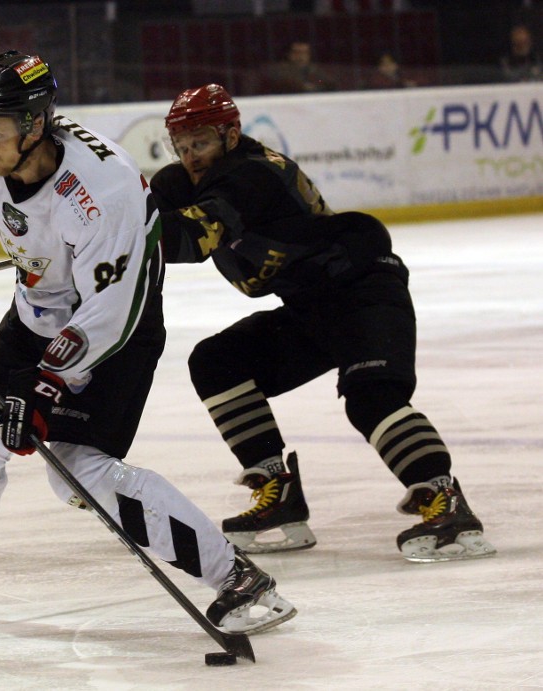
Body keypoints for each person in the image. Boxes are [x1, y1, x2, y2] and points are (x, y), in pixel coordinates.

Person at [0, 52, 296, 635]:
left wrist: (46, 387)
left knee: (78, 471)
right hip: (37, 308)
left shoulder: (104, 190)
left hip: (117, 328)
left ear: (37, 122)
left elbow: (111, 309)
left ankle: (238, 579)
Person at [149, 83, 497, 563]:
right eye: (182, 146)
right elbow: (138, 208)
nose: (191, 157)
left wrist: (115, 241)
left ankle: (444, 498)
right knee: (217, 360)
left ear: (231, 134)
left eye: (201, 142)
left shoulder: (249, 176)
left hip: (362, 289)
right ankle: (278, 494)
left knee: (372, 397)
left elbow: (191, 237)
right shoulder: (190, 181)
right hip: (311, 306)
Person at [266, 41, 336, 94]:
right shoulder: (280, 69)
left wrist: (316, 83)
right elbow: (283, 83)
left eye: (305, 53)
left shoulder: (313, 68)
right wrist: (303, 86)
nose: (301, 56)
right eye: (297, 52)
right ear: (289, 54)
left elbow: (325, 81)